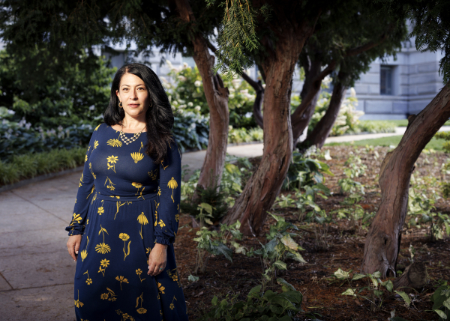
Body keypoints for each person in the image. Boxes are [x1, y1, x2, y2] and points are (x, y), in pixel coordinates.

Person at [65, 63, 189, 321]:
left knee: (142, 303)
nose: (132, 96)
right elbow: (87, 182)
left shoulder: (164, 141)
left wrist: (161, 244)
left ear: (150, 95)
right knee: (91, 300)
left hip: (142, 233)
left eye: (140, 89)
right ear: (118, 96)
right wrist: (76, 228)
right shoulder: (100, 133)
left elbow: (170, 195)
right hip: (98, 230)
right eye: (126, 89)